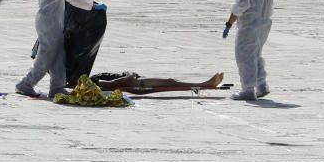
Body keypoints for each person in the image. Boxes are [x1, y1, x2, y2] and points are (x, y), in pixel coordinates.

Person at [16, 0, 107, 98]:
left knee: (59, 54)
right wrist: (92, 6)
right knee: (46, 56)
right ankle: (25, 84)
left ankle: (57, 87)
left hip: (50, 20)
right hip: (49, 21)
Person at [222, 0, 274, 100]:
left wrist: (228, 24)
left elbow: (238, 8)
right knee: (256, 55)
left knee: (245, 58)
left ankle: (248, 89)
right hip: (264, 26)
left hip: (249, 27)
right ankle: (261, 85)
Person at [90, 72, 225, 95]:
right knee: (170, 82)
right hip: (139, 83)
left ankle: (205, 83)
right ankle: (205, 84)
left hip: (139, 80)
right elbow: (113, 83)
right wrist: (129, 76)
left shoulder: (97, 77)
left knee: (171, 82)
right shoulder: (97, 80)